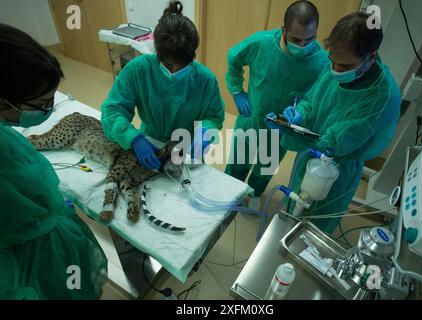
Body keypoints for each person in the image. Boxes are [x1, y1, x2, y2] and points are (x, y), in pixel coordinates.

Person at [0, 23, 107, 299]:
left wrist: (53, 205)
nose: (50, 108)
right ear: (5, 101)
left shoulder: (6, 132)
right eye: (44, 102)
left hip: (53, 236)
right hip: (34, 267)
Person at [280, 12, 401, 233]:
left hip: (336, 170)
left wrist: (296, 134)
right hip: (311, 157)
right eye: (332, 62)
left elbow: (335, 143)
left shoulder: (381, 96)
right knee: (295, 204)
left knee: (313, 227)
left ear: (371, 56)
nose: (335, 71)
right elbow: (313, 99)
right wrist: (300, 115)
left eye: (344, 67)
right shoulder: (339, 61)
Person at [225, 1, 329, 210]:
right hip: (252, 117)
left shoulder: (322, 61)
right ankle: (229, 192)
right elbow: (233, 59)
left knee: (266, 165)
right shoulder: (261, 43)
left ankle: (254, 194)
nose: (302, 46)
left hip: (281, 127)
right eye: (296, 39)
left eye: (309, 39)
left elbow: (315, 95)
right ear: (284, 30)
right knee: (239, 159)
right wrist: (237, 91)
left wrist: (299, 113)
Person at [101, 1, 224, 168]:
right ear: (157, 54)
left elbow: (214, 116)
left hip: (187, 148)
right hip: (149, 144)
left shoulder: (205, 79)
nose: (174, 72)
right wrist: (133, 138)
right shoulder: (138, 69)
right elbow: (113, 110)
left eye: (182, 66)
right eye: (168, 65)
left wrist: (205, 133)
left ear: (193, 55)